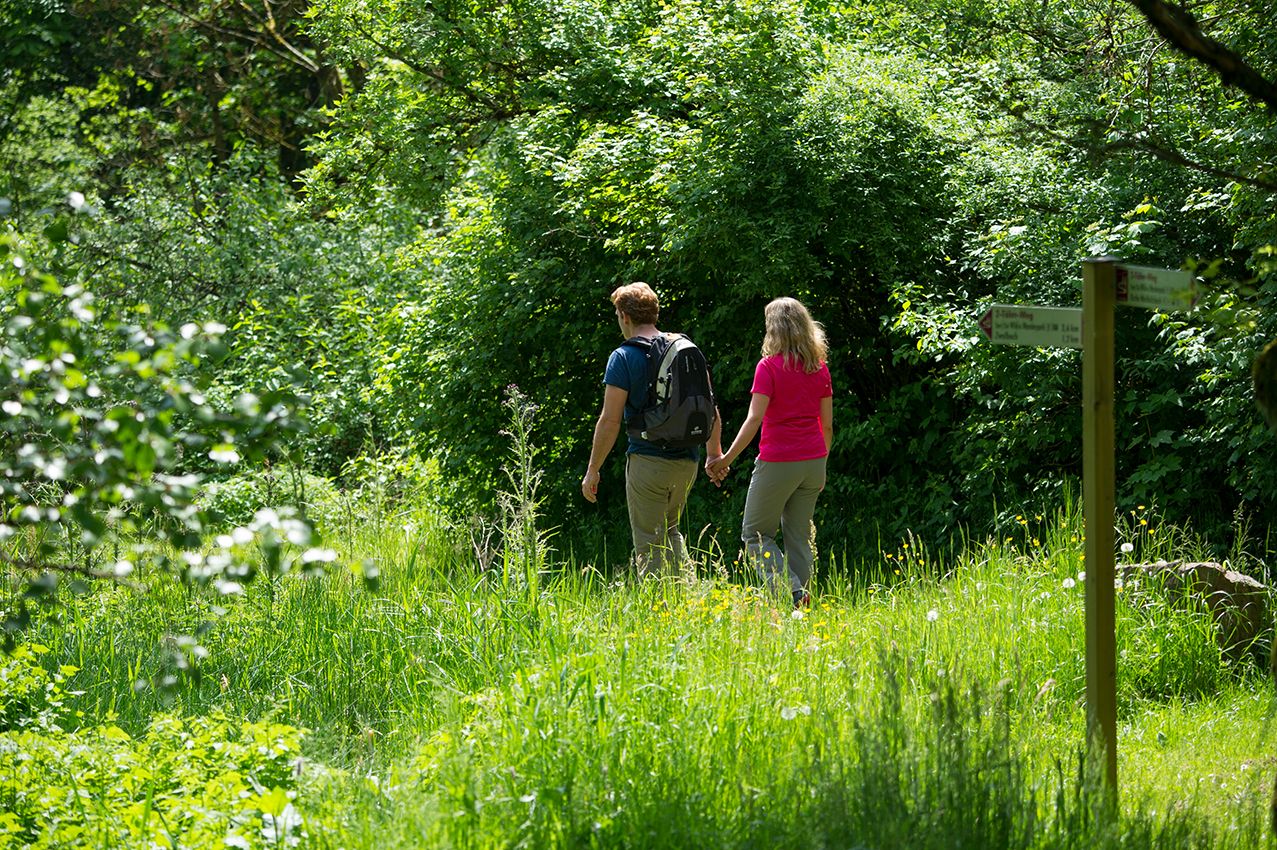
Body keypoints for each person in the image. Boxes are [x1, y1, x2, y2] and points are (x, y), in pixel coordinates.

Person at [581, 282, 722, 578]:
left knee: (649, 542)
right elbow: (711, 408)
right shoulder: (682, 348)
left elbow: (610, 420)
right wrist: (714, 455)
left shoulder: (622, 357)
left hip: (648, 461)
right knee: (671, 531)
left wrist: (593, 468)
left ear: (624, 316)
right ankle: (690, 598)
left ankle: (662, 611)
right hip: (687, 463)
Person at [708, 297, 833, 608]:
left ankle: (790, 594)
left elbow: (755, 418)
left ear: (773, 330)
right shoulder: (819, 369)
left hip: (779, 461)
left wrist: (726, 459)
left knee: (755, 534)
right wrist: (822, 465)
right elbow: (827, 426)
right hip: (814, 461)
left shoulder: (769, 367)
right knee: (799, 536)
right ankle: (803, 602)